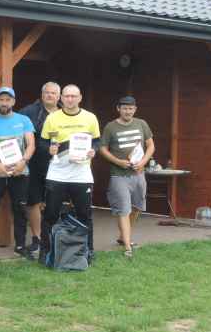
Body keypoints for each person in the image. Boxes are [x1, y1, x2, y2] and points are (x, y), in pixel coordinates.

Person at [40, 84, 101, 263]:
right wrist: (49, 149)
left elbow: (97, 141)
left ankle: (88, 251)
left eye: (74, 96)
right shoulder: (52, 118)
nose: (70, 99)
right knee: (51, 214)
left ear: (80, 98)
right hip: (57, 173)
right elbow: (43, 142)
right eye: (66, 96)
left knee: (84, 214)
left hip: (81, 174)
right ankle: (46, 251)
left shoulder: (90, 117)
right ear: (61, 98)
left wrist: (94, 150)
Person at [0, 87, 35, 258]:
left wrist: (23, 162)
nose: (4, 103)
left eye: (8, 100)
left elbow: (31, 144)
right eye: (1, 100)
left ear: (13, 101)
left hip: (20, 171)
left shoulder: (24, 120)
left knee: (20, 209)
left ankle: (20, 246)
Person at [99, 96, 155, 259]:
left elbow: (151, 145)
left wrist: (143, 162)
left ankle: (123, 236)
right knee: (124, 209)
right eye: (124, 108)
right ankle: (128, 246)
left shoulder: (142, 124)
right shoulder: (110, 127)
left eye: (131, 108)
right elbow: (102, 149)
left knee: (137, 207)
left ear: (135, 109)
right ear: (118, 109)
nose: (128, 111)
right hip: (119, 176)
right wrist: (118, 162)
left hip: (139, 174)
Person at [19, 81, 61, 257]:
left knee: (55, 201)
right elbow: (18, 133)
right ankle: (37, 238)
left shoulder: (65, 113)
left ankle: (52, 237)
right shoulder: (29, 112)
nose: (50, 95)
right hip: (34, 163)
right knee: (33, 201)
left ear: (59, 96)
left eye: (53, 93)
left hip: (60, 164)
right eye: (47, 92)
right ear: (42, 95)